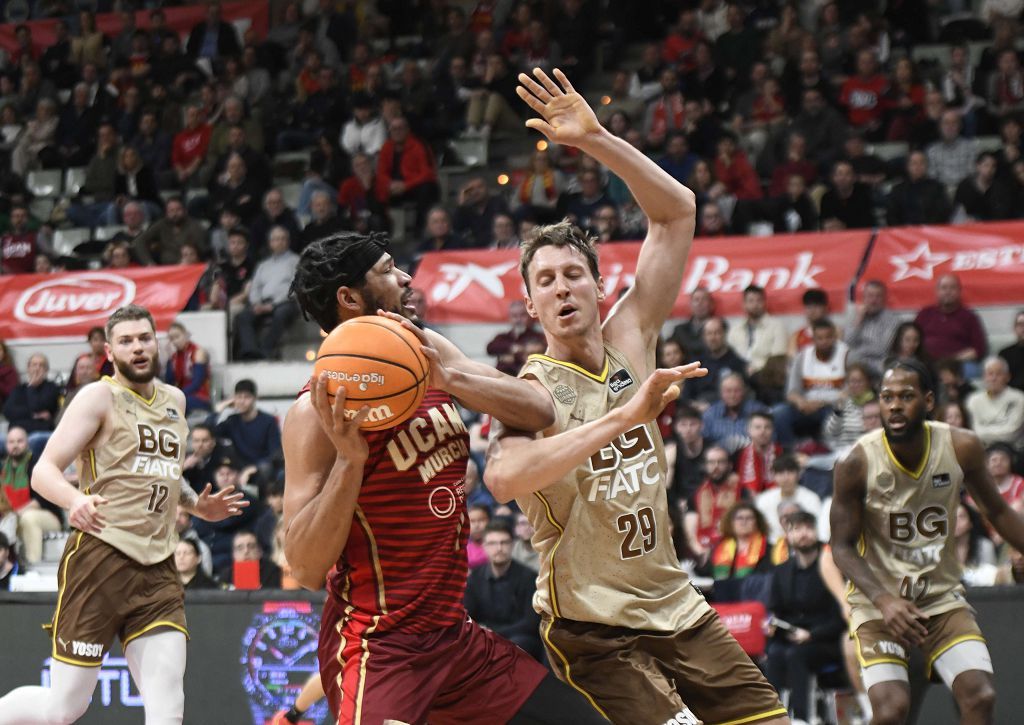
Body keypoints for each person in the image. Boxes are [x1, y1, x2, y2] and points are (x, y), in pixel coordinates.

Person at [486, 68, 787, 725]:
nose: (562, 287)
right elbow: (504, 478)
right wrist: (623, 417)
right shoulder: (527, 391)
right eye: (546, 280)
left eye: (573, 274)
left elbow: (677, 211)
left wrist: (595, 138)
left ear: (599, 287)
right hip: (591, 625)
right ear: (531, 303)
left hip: (675, 605)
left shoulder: (632, 331)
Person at [283, 226, 607, 724]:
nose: (407, 277)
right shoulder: (315, 411)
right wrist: (350, 463)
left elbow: (537, 408)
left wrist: (450, 378)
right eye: (388, 271)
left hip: (455, 640)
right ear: (350, 297)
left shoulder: (423, 348)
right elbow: (304, 568)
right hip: (379, 647)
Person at [0, 304, 247, 725]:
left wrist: (194, 504)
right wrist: (74, 500)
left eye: (144, 338)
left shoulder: (176, 400)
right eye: (126, 341)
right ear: (110, 353)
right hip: (100, 559)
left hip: (158, 568)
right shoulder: (98, 396)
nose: (137, 347)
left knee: (168, 707)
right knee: (63, 710)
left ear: (158, 344)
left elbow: (163, 474)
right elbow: (43, 471)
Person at [831, 358, 1024, 725]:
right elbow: (840, 547)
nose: (895, 405)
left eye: (906, 396)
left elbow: (997, 512)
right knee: (890, 712)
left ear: (929, 401)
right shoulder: (855, 462)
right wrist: (884, 600)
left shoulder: (961, 446)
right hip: (879, 606)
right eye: (887, 397)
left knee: (980, 697)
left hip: (940, 599)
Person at [764, 511, 846, 724]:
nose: (804, 534)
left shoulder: (830, 566)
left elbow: (842, 615)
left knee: (797, 655)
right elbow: (776, 610)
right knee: (773, 653)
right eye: (797, 529)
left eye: (808, 528)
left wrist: (812, 634)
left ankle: (801, 718)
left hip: (826, 639)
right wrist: (772, 626)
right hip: (792, 637)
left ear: (816, 531)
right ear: (788, 535)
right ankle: (773, 716)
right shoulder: (781, 571)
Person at [464, 520, 543, 660]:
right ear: (484, 546)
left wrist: (493, 633)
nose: (499, 548)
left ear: (512, 545)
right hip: (484, 636)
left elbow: (530, 623)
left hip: (518, 638)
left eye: (504, 542)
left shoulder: (529, 578)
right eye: (493, 543)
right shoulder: (474, 578)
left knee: (518, 644)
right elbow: (468, 616)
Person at [773, 318, 849, 447]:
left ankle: (828, 453)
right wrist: (801, 402)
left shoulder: (846, 354)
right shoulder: (802, 356)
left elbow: (850, 392)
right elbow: (791, 391)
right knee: (779, 413)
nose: (824, 342)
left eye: (828, 337)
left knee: (834, 415)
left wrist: (823, 403)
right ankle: (792, 453)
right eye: (820, 338)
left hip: (832, 406)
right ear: (813, 339)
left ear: (835, 337)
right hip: (806, 406)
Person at [234, 226, 300, 360]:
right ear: (270, 243)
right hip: (263, 302)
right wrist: (257, 303)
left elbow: (297, 287)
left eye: (282, 239)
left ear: (288, 241)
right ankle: (251, 351)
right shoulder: (263, 265)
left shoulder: (296, 261)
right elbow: (255, 287)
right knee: (243, 316)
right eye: (275, 239)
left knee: (281, 314)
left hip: (286, 302)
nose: (279, 242)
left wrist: (274, 304)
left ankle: (266, 350)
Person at [0, 426, 62, 565]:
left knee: (28, 518)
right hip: (14, 516)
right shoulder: (4, 468)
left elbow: (41, 499)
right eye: (11, 442)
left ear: (27, 443)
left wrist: (15, 514)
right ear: (6, 445)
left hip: (48, 516)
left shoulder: (37, 464)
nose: (15, 445)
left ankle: (33, 565)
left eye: (19, 441)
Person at [914, 274, 987, 372]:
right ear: (937, 291)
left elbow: (978, 350)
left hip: (958, 364)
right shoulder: (924, 314)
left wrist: (952, 360)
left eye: (952, 288)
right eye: (944, 288)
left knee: (972, 370)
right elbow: (913, 340)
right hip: (927, 363)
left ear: (959, 291)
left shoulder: (969, 317)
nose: (948, 292)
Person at [3, 353, 61, 460]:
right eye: (34, 365)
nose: (37, 368)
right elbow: (8, 411)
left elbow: (37, 406)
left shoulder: (52, 388)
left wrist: (31, 388)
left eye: (41, 365)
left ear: (46, 370)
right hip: (17, 433)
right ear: (28, 368)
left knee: (33, 440)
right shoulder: (19, 389)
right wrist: (32, 415)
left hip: (39, 432)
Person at [755, 454, 822, 543]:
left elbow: (817, 529)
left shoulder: (811, 499)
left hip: (803, 544)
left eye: (790, 472)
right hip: (771, 545)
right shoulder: (764, 499)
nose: (785, 478)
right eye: (780, 473)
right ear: (773, 476)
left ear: (799, 474)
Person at [845, 280, 903, 376]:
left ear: (884, 298)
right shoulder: (856, 316)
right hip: (858, 369)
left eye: (878, 296)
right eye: (870, 296)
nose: (873, 300)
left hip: (880, 366)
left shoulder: (893, 320)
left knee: (854, 360)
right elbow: (848, 342)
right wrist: (859, 320)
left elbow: (882, 348)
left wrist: (858, 353)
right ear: (864, 298)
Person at [965, 356, 1024, 449]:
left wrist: (981, 433)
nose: (993, 378)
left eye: (998, 374)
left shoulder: (1019, 398)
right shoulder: (973, 400)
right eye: (990, 374)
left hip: (1011, 450)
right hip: (981, 449)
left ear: (1007, 377)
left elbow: (1011, 433)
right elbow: (972, 430)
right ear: (984, 377)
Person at [486, 301, 547, 376]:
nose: (518, 319)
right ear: (509, 318)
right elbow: (490, 348)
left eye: (522, 315)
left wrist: (509, 356)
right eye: (514, 316)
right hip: (502, 380)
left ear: (530, 316)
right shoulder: (503, 337)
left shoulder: (539, 337)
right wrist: (515, 348)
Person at [164, 321, 211, 416]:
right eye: (171, 339)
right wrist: (169, 360)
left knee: (175, 405)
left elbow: (197, 383)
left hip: (199, 396)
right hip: (181, 396)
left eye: (177, 337)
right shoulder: (174, 357)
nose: (175, 341)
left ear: (185, 335)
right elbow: (169, 382)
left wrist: (178, 395)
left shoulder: (198, 352)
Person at [735, 410, 782, 495]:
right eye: (758, 427)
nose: (762, 431)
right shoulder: (737, 455)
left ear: (773, 430)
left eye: (767, 427)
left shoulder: (783, 453)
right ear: (748, 430)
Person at [998, 310, 1024, 391]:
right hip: (1012, 397)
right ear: (1014, 328)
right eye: (1020, 324)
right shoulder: (1004, 354)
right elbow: (1000, 381)